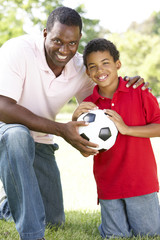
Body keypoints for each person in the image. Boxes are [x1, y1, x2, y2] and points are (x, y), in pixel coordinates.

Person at [0, 6, 149, 240]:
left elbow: (104, 98)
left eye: (72, 43)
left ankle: (10, 203)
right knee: (17, 135)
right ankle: (32, 234)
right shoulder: (18, 50)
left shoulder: (80, 67)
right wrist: (61, 129)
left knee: (54, 219)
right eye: (57, 40)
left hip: (41, 138)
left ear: (79, 39)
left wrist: (129, 84)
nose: (64, 49)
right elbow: (2, 107)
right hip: (7, 133)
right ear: (45, 33)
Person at [72, 38, 160, 238]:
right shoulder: (88, 104)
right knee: (116, 236)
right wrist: (74, 118)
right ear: (87, 72)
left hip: (140, 181)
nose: (99, 70)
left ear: (117, 64)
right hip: (109, 184)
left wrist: (127, 129)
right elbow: (85, 150)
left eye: (105, 63)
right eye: (92, 66)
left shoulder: (139, 92)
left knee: (149, 233)